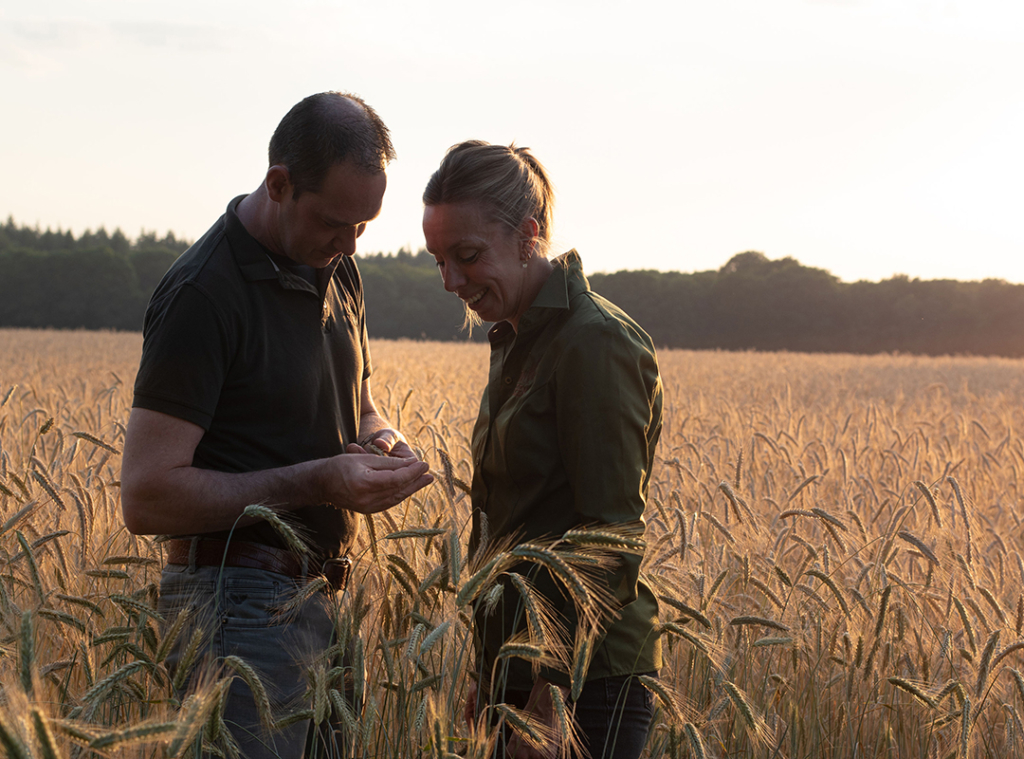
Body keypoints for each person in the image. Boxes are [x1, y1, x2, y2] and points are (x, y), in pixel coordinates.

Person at [120, 92, 433, 758]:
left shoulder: (338, 266)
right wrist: (319, 479)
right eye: (333, 222)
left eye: (364, 226)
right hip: (235, 605)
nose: (350, 244)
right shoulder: (203, 294)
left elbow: (359, 405)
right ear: (279, 184)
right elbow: (146, 494)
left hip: (325, 596)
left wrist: (385, 444)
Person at [422, 141, 663, 759]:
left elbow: (609, 539)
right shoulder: (517, 338)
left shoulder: (594, 342)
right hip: (519, 675)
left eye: (467, 256)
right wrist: (489, 669)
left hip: (589, 685)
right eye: (439, 261)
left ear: (529, 235)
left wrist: (549, 698)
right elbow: (513, 523)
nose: (451, 281)